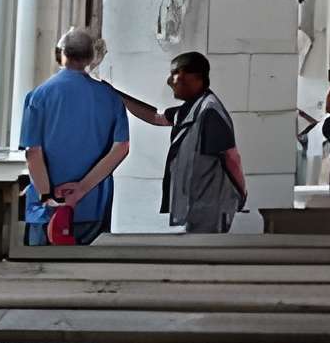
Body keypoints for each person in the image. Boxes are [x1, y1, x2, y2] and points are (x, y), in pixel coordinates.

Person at [18, 26, 129, 245]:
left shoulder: (39, 96)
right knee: (87, 272)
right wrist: (81, 190)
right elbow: (122, 147)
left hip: (47, 209)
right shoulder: (110, 97)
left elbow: (33, 152)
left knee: (42, 271)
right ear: (90, 57)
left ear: (61, 54)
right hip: (92, 203)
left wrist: (47, 196)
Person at [122, 49, 246, 234]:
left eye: (176, 75)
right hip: (198, 203)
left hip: (211, 204)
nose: (170, 81)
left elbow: (231, 157)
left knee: (205, 254)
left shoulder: (209, 112)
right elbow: (155, 117)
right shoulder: (190, 109)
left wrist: (241, 193)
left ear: (195, 78)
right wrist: (118, 97)